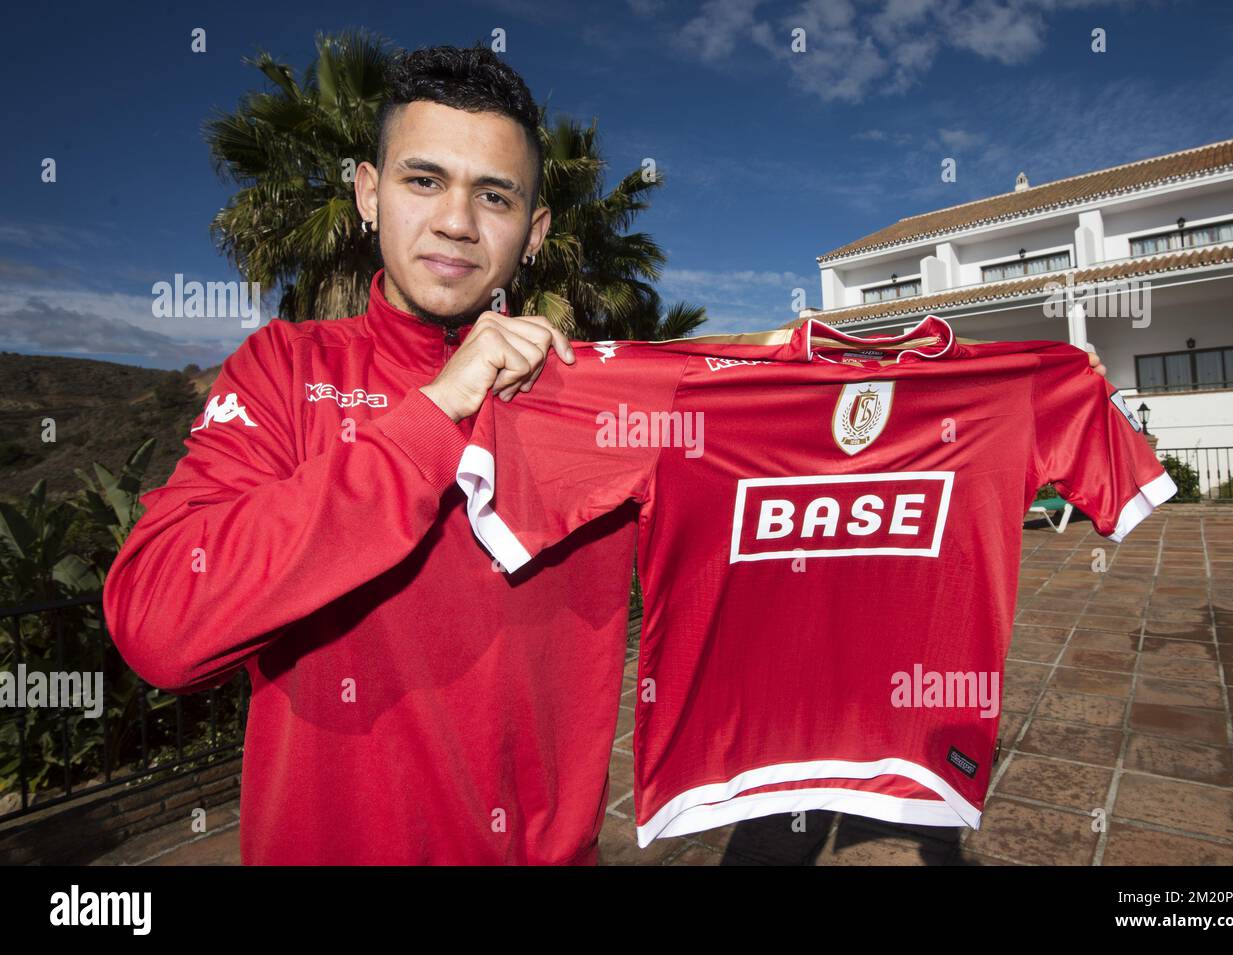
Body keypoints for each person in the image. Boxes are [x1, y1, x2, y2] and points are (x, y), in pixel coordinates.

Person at [103, 43, 1106, 866]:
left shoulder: (599, 402)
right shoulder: (284, 370)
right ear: (367, 194)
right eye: (423, 180)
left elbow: (794, 527)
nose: (456, 219)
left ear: (533, 231)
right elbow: (160, 624)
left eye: (495, 197)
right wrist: (429, 417)